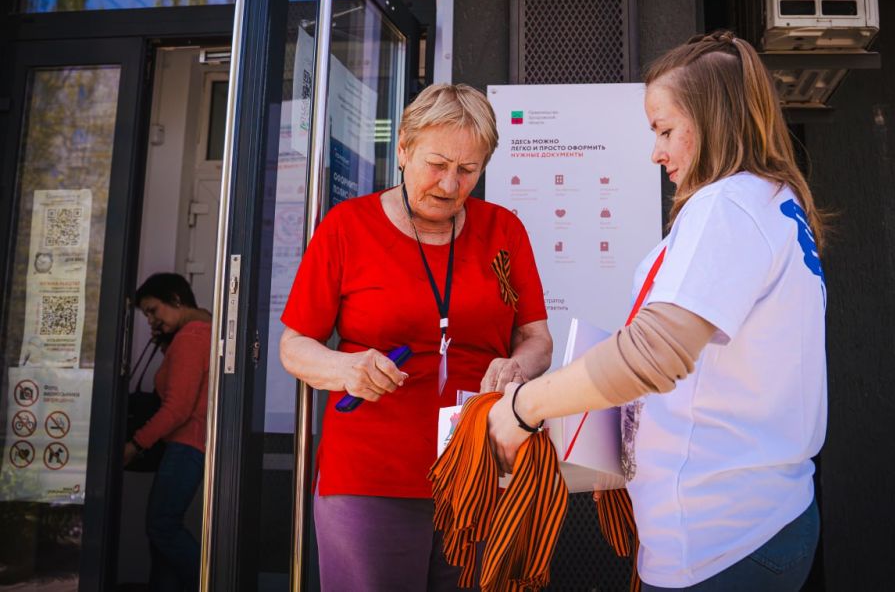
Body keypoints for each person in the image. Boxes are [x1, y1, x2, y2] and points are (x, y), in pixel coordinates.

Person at [488, 31, 828, 592]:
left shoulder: (727, 205)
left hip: (720, 542)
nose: (656, 152)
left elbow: (654, 353)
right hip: (755, 522)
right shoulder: (770, 203)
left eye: (665, 130)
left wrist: (523, 408)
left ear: (713, 119)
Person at [279, 83, 553, 590]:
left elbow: (536, 336)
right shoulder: (346, 227)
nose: (450, 184)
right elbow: (294, 345)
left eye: (467, 170)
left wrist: (519, 366)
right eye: (437, 164)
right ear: (402, 149)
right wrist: (346, 368)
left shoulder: (504, 230)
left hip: (482, 468)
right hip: (369, 475)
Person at [125, 273, 212, 592]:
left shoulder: (191, 337)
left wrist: (135, 444)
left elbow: (177, 408)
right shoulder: (204, 330)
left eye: (153, 310)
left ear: (176, 299)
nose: (151, 320)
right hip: (193, 443)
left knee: (161, 526)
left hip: (186, 444)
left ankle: (208, 584)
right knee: (162, 536)